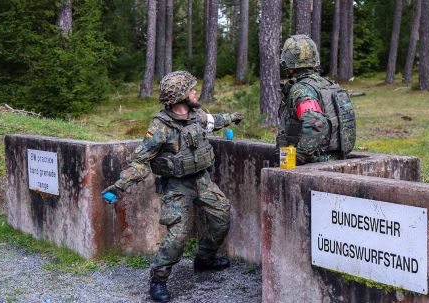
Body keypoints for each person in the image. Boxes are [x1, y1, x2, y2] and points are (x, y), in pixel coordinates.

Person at [101, 71, 243, 303]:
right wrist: (119, 186)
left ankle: (205, 260)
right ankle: (158, 279)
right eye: (191, 90)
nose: (195, 93)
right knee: (177, 236)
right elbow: (140, 160)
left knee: (221, 216)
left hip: (201, 179)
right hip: (176, 186)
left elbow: (214, 121)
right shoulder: (160, 127)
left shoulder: (197, 114)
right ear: (180, 97)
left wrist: (232, 117)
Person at [277, 35, 356, 165]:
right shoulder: (326, 84)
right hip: (334, 160)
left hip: (312, 163)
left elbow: (316, 122)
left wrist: (299, 156)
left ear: (288, 62)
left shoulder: (301, 90)